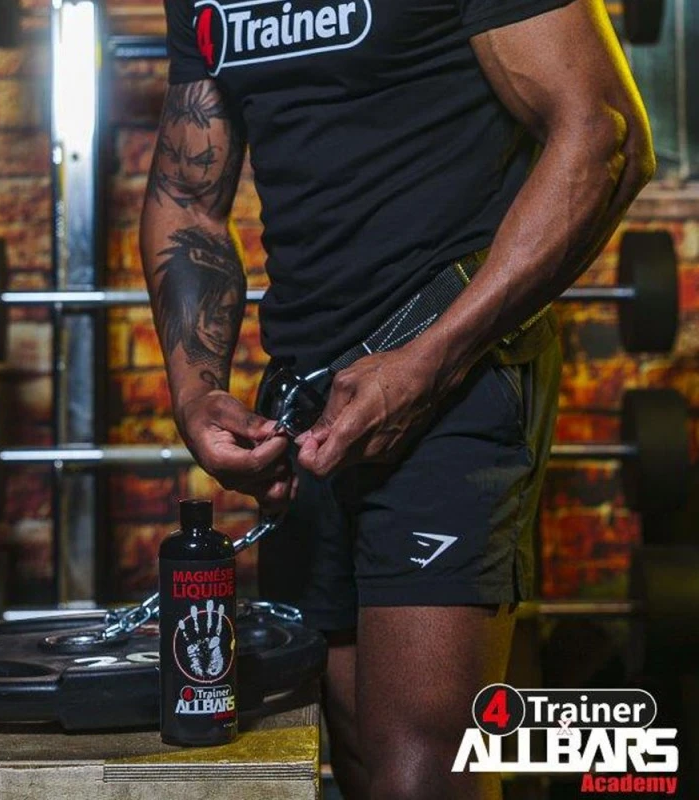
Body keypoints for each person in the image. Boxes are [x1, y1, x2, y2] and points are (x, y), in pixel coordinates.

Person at [140, 0, 655, 795]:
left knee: (422, 770)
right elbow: (186, 196)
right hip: (311, 391)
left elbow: (604, 132)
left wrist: (432, 362)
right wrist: (194, 391)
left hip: (455, 371)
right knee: (353, 750)